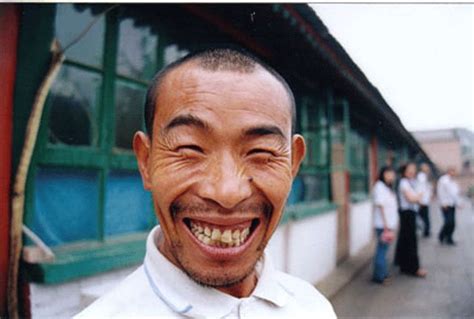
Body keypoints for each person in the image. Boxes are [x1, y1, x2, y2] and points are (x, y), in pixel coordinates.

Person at [76, 48, 336, 318]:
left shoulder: (313, 308)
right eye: (189, 149)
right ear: (146, 161)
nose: (227, 192)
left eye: (261, 152)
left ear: (293, 164)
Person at [394, 162, 428, 278]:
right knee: (411, 241)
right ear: (404, 171)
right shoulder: (404, 183)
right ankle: (414, 268)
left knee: (405, 240)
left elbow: (415, 199)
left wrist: (417, 197)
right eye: (409, 169)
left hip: (409, 213)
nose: (412, 171)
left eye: (414, 169)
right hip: (407, 214)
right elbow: (412, 199)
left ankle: (403, 265)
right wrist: (420, 195)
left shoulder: (410, 183)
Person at [372, 166, 398, 285]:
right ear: (383, 174)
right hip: (383, 225)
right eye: (389, 173)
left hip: (387, 224)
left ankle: (382, 273)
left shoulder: (387, 188)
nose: (391, 176)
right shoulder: (379, 186)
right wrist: (386, 226)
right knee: (381, 250)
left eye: (392, 174)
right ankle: (379, 276)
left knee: (384, 250)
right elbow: (381, 206)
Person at [437, 167, 460, 245]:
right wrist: (443, 203)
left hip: (452, 204)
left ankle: (449, 238)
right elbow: (440, 192)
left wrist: (458, 203)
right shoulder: (444, 180)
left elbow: (455, 194)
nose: (454, 173)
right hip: (446, 204)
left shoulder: (452, 181)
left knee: (452, 223)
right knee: (448, 222)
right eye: (453, 171)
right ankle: (442, 235)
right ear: (449, 171)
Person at [416, 163, 432, 237]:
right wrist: (420, 200)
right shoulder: (421, 176)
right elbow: (420, 189)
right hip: (422, 201)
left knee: (425, 216)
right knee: (423, 216)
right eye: (425, 167)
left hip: (425, 201)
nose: (427, 169)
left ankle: (426, 230)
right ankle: (425, 230)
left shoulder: (425, 176)